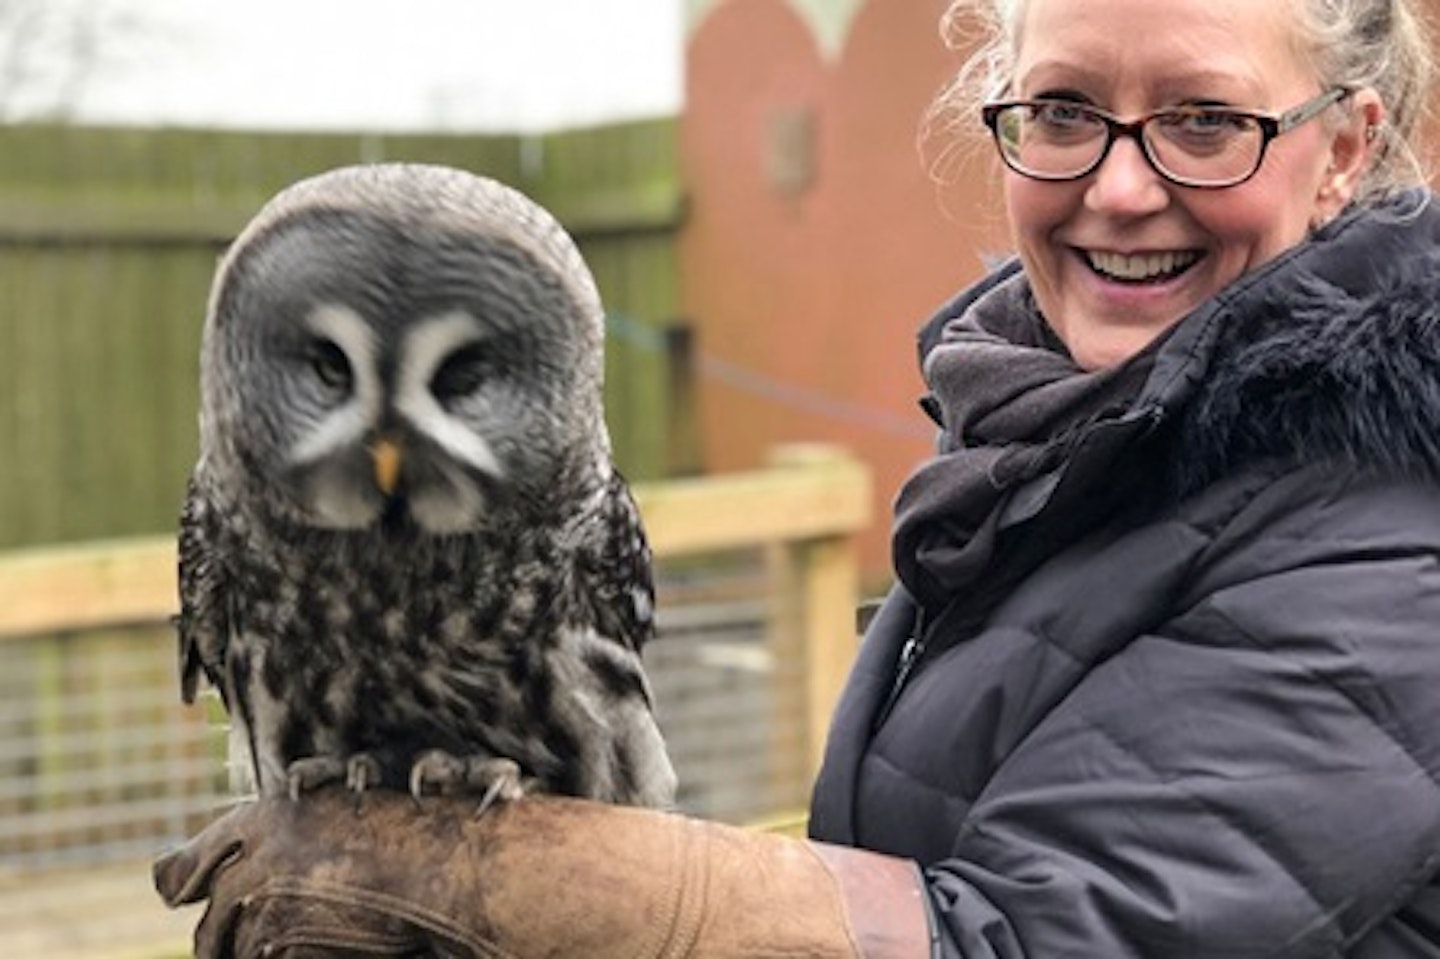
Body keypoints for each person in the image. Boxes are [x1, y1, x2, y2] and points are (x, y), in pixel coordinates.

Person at [154, 0, 1440, 954]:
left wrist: (597, 898)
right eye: (1061, 112)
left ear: (1342, 150)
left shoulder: (1385, 533)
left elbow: (1041, 936)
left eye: (1205, 121)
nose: (1116, 183)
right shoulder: (1053, 436)